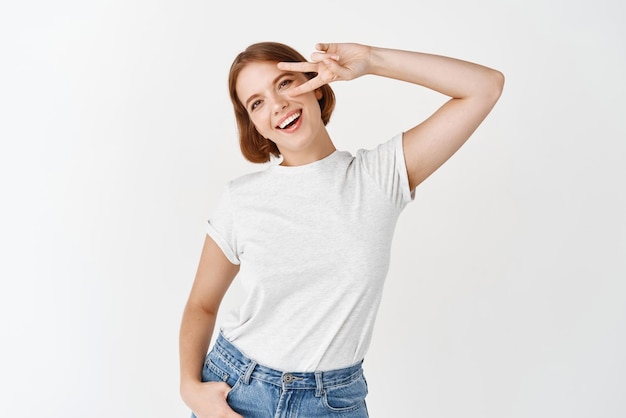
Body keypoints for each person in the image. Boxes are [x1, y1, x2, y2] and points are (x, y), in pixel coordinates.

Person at [179, 41, 504, 418]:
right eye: (257, 102)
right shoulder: (240, 199)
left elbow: (485, 87)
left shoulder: (378, 178)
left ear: (316, 85)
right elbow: (201, 305)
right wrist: (190, 388)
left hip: (331, 403)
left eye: (284, 83)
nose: (277, 104)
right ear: (254, 124)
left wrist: (372, 60)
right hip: (237, 390)